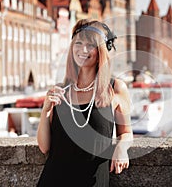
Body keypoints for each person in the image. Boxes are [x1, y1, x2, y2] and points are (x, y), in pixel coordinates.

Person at [37, 19, 133, 186]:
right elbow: (45, 147)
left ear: (101, 51)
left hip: (93, 182)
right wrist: (46, 110)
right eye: (78, 43)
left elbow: (126, 132)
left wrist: (121, 148)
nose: (83, 50)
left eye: (90, 45)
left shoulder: (115, 88)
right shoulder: (60, 91)